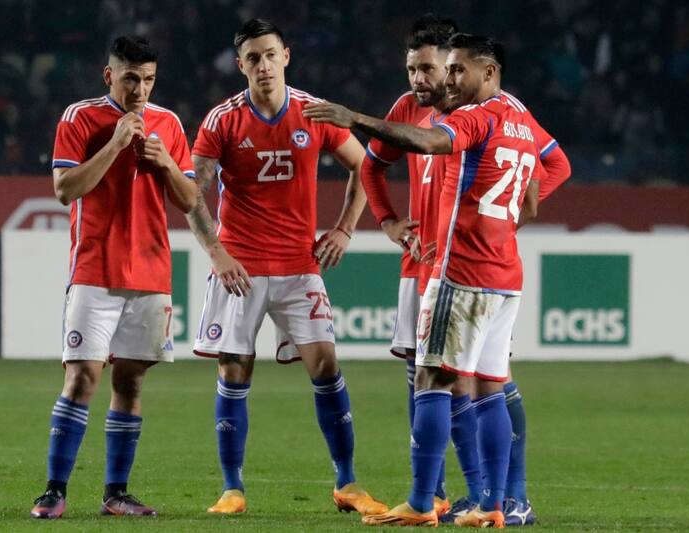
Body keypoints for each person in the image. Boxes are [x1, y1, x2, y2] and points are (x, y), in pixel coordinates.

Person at [305, 33, 561, 528]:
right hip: (505, 273)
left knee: (431, 378)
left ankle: (423, 502)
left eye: (458, 70)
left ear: (488, 72)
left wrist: (353, 118)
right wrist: (498, 224)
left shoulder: (472, 116)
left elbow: (426, 140)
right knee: (488, 388)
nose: (448, 79)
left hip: (459, 272)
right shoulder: (523, 121)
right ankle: (492, 505)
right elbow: (529, 202)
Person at [185, 18, 386, 517]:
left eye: (270, 54)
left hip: (299, 266)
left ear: (286, 56)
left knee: (327, 365)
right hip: (242, 267)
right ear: (241, 66)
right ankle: (232, 488)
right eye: (253, 58)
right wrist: (217, 253)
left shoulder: (314, 112)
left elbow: (365, 166)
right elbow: (193, 194)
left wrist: (343, 229)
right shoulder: (222, 120)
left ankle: (347, 482)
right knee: (236, 369)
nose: (263, 65)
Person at [30, 36, 197, 519]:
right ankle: (54, 490)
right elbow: (65, 189)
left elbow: (189, 200)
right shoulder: (80, 118)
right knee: (82, 377)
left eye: (147, 79)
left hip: (152, 274)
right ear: (109, 76)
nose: (140, 88)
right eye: (130, 78)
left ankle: (116, 493)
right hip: (95, 271)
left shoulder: (168, 124)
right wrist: (117, 144)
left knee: (130, 382)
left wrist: (166, 162)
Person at [359, 13, 457, 518]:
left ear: (452, 66)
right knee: (419, 378)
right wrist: (389, 221)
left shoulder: (477, 111)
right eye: (411, 69)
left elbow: (551, 165)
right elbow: (371, 165)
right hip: (418, 265)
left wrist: (510, 221)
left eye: (426, 69)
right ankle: (432, 491)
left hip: (464, 269)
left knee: (480, 380)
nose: (418, 79)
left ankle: (497, 494)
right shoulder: (406, 109)